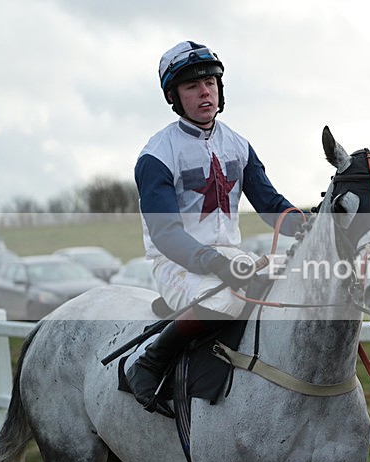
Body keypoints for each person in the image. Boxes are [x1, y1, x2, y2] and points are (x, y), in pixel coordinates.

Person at [126, 41, 303, 416]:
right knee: (222, 301)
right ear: (174, 97)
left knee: (290, 287)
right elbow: (165, 234)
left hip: (231, 257)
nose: (204, 91)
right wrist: (212, 261)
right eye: (192, 86)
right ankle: (150, 363)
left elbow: (272, 206)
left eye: (210, 82)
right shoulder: (156, 154)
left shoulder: (238, 145)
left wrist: (312, 224)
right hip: (178, 263)